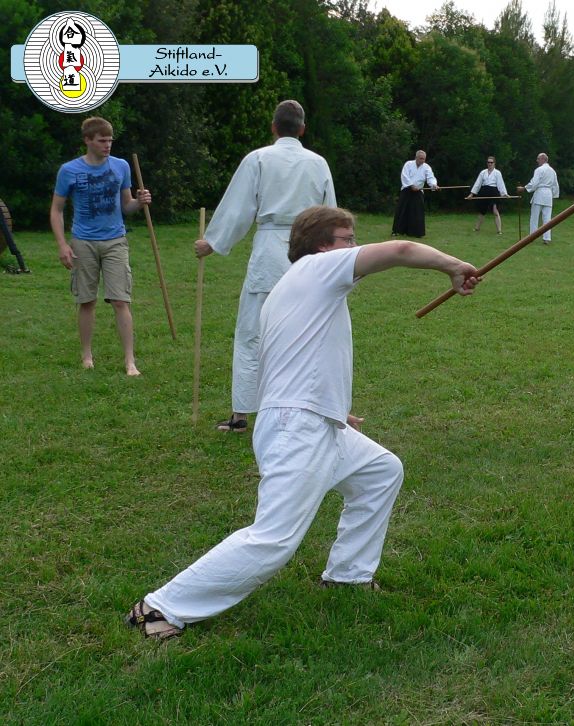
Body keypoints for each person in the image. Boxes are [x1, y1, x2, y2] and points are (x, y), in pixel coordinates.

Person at [126, 205, 480, 639]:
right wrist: (453, 266)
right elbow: (401, 249)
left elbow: (290, 360)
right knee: (273, 538)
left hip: (311, 419)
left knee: (380, 471)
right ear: (322, 246)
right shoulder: (317, 269)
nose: (354, 246)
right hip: (298, 428)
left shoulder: (295, 289)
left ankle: (348, 575)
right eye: (347, 239)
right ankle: (158, 608)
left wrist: (334, 407)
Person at [195, 100, 336, 433]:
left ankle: (241, 414)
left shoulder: (258, 159)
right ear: (302, 129)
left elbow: (238, 208)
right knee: (306, 332)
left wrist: (212, 242)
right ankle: (306, 411)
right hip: (308, 255)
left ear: (274, 127)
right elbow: (330, 214)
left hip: (271, 255)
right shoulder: (318, 163)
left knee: (252, 334)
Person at [50, 116, 152, 376]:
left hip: (115, 240)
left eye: (110, 140)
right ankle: (87, 356)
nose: (107, 145)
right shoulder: (69, 170)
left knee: (121, 300)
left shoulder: (121, 166)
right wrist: (62, 244)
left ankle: (130, 361)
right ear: (87, 140)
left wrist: (140, 202)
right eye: (102, 140)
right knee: (86, 301)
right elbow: (56, 209)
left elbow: (126, 206)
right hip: (83, 242)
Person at [392, 150, 438, 237]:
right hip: (407, 189)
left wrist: (434, 185)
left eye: (424, 159)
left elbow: (430, 177)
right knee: (402, 210)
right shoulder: (408, 164)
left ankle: (416, 233)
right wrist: (411, 185)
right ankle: (397, 231)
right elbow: (404, 176)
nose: (422, 160)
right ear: (416, 157)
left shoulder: (426, 167)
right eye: (421, 158)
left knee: (417, 212)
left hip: (418, 191)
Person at [518, 153, 559, 244]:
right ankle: (546, 238)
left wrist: (524, 188)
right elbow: (555, 185)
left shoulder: (539, 170)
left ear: (543, 159)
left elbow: (534, 183)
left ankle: (532, 237)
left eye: (538, 159)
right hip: (548, 195)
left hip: (540, 193)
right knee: (547, 218)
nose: (537, 161)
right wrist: (554, 195)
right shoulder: (552, 171)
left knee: (534, 217)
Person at [467, 156, 508, 234]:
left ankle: (499, 230)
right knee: (482, 211)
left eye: (491, 162)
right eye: (488, 162)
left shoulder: (497, 173)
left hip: (494, 192)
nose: (490, 164)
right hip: (484, 192)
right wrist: (471, 194)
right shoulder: (483, 172)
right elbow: (478, 183)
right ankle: (477, 228)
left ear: (494, 163)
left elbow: (501, 184)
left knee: (495, 211)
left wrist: (504, 194)